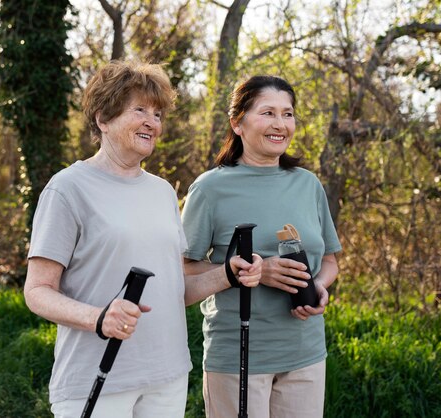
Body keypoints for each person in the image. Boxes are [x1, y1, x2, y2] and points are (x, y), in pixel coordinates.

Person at [23, 60, 262, 418]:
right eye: (140, 110)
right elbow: (37, 291)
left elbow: (173, 289)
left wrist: (227, 273)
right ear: (103, 119)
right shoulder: (68, 188)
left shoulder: (162, 192)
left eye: (158, 114)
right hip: (96, 377)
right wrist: (98, 317)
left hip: (167, 376)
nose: (153, 122)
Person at [181, 75, 342, 418]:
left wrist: (318, 285)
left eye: (288, 114)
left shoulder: (308, 184)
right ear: (237, 123)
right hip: (239, 355)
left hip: (306, 353)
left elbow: (329, 261)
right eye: (268, 113)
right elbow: (184, 274)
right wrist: (257, 271)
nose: (280, 124)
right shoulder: (209, 189)